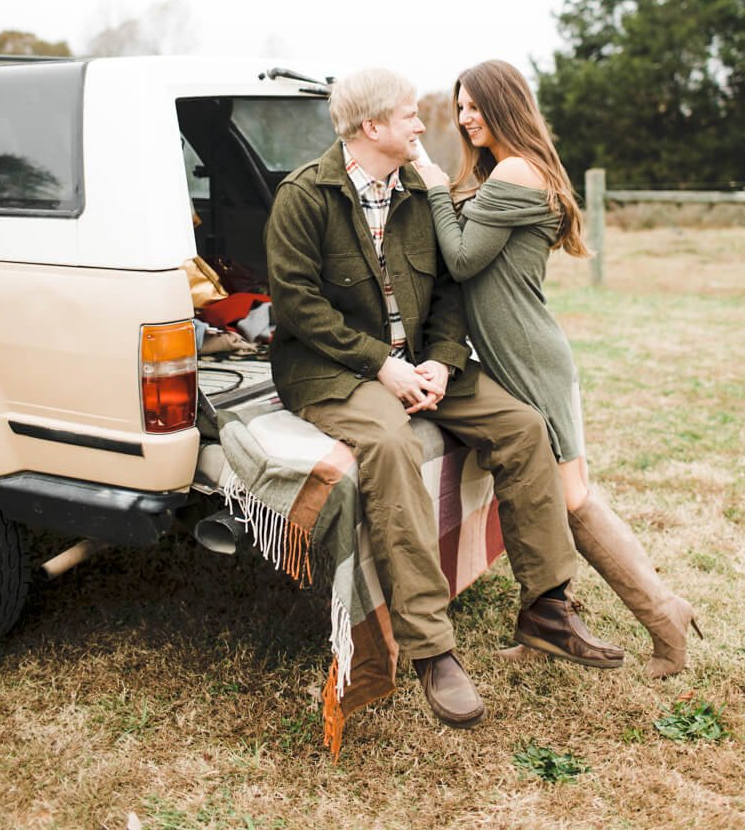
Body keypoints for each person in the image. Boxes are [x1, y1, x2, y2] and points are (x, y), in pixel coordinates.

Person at [265, 67, 624, 732]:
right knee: (393, 446)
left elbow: (452, 293)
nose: (422, 124)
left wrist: (439, 359)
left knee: (522, 425)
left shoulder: (419, 193)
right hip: (335, 373)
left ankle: (548, 606)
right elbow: (297, 307)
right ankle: (432, 649)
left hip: (424, 365)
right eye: (407, 115)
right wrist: (382, 367)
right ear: (372, 127)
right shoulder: (304, 197)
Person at [417, 59, 701, 678]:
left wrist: (436, 188)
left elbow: (463, 260)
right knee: (546, 491)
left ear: (505, 103)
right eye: (459, 107)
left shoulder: (518, 170)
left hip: (531, 361)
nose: (465, 118)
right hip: (517, 355)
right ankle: (544, 617)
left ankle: (665, 618)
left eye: (474, 106)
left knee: (572, 499)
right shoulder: (513, 171)